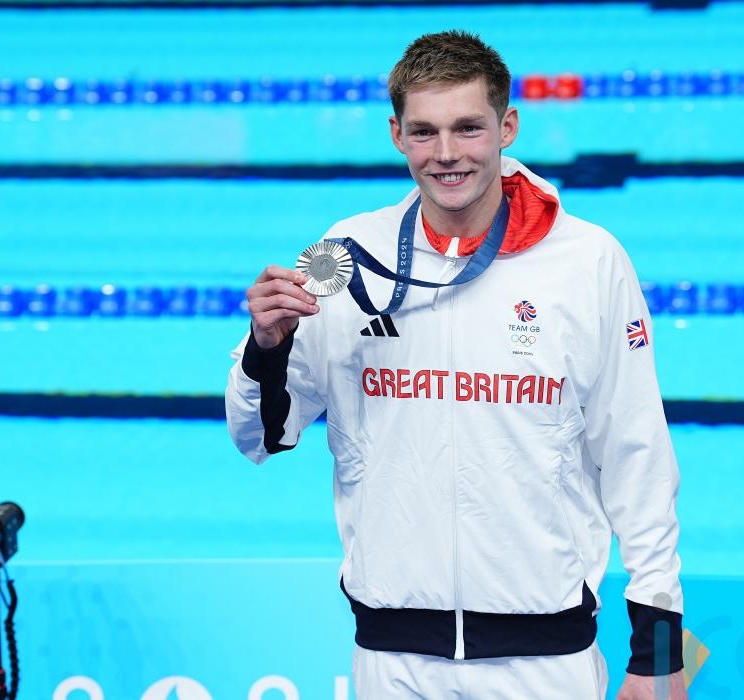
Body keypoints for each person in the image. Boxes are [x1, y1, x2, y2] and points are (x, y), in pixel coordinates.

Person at [226, 30, 687, 700]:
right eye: (424, 131)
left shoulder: (588, 261)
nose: (446, 154)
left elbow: (637, 457)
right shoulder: (345, 255)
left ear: (507, 127)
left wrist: (659, 652)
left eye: (468, 128)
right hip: (392, 658)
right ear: (397, 135)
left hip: (545, 661)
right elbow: (260, 437)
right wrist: (264, 347)